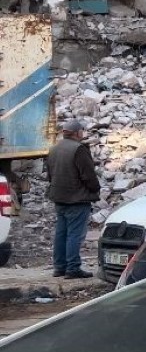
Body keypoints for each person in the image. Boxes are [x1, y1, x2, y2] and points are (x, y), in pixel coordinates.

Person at [45, 119, 101, 279]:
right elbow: (88, 175)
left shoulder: (54, 149)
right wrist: (95, 189)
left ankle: (59, 267)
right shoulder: (79, 149)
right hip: (77, 199)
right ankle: (73, 268)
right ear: (77, 133)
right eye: (82, 131)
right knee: (75, 234)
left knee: (61, 233)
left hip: (59, 197)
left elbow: (49, 174)